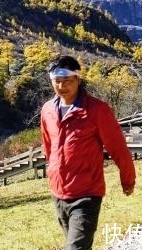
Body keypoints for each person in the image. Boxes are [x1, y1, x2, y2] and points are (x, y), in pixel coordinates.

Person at [40, 55, 136, 250]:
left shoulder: (97, 110)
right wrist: (52, 173)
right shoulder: (47, 110)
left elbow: (118, 149)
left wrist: (128, 180)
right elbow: (48, 146)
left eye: (66, 81)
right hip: (58, 193)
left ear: (78, 79)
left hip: (87, 193)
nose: (61, 86)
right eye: (56, 82)